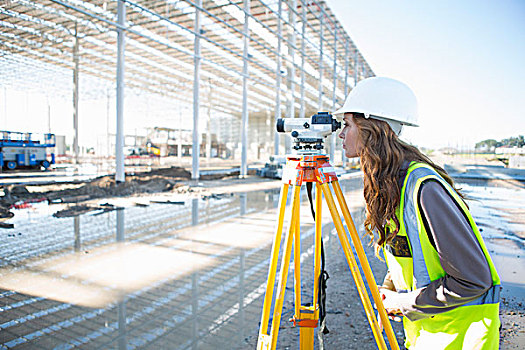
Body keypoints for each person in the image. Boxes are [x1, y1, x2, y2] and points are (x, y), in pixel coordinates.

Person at [333, 77, 501, 349]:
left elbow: (473, 280)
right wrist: (390, 287)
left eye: (348, 124)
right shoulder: (392, 183)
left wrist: (404, 303)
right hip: (429, 336)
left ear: (371, 128)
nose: (340, 133)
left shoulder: (424, 189)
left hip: (462, 340)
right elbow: (408, 251)